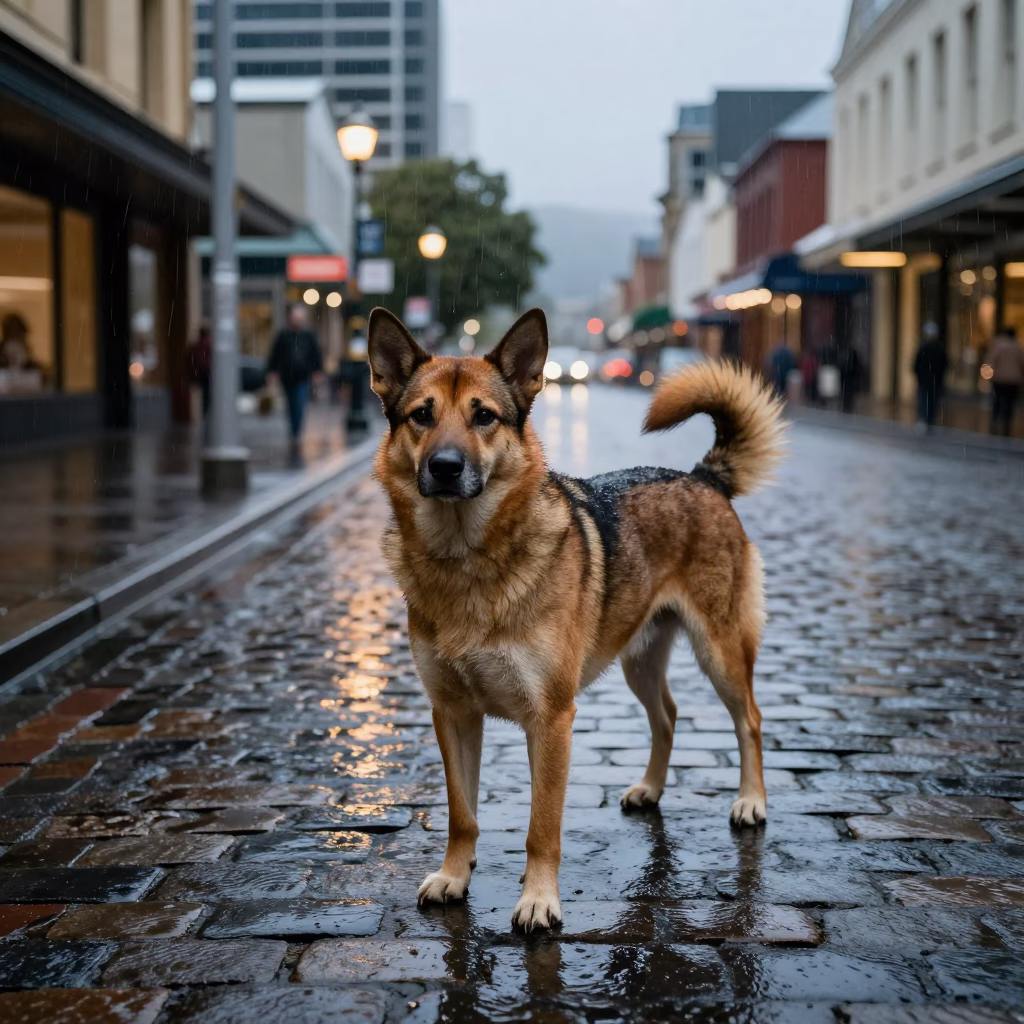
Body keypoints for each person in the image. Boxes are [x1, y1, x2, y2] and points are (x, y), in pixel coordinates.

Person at [266, 304, 324, 452]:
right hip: (287, 376)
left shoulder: (308, 335)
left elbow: (316, 354)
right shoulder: (284, 335)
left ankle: (296, 431)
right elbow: (275, 355)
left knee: (298, 403)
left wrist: (317, 372)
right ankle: (293, 429)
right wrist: (272, 371)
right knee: (291, 404)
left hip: (302, 376)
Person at [985, 326, 1024, 437]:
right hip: (1014, 380)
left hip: (999, 379)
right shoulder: (1018, 347)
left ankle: (995, 421)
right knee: (1009, 403)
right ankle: (1006, 424)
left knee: (997, 401)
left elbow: (990, 361)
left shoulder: (998, 346)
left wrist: (989, 376)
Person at [912, 322, 948, 431]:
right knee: (931, 400)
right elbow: (945, 364)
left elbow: (917, 364)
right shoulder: (939, 348)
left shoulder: (925, 347)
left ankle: (925, 419)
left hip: (927, 380)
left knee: (924, 400)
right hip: (933, 380)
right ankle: (929, 420)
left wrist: (919, 375)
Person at [186, 321, 212, 421]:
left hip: (201, 374)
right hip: (206, 373)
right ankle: (206, 414)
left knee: (205, 397)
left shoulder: (196, 346)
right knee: (207, 396)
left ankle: (205, 414)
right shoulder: (208, 345)